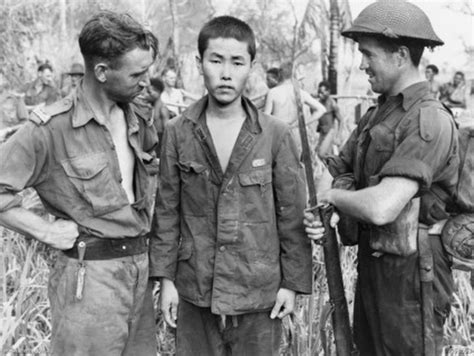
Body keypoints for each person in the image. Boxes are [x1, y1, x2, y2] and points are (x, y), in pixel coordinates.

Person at [150, 15, 312, 356]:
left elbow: (292, 216)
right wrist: (166, 281)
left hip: (259, 294)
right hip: (195, 290)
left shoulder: (275, 135)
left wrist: (292, 286)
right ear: (199, 63)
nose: (226, 73)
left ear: (251, 66)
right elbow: (166, 212)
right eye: (216, 60)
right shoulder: (178, 132)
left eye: (237, 62)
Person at [0, 11, 159, 355]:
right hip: (88, 282)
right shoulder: (49, 129)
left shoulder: (138, 119)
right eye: (138, 73)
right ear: (102, 71)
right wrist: (46, 231)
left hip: (139, 274)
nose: (146, 82)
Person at [304, 2, 458, 355]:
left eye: (368, 54)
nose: (361, 64)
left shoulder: (427, 119)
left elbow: (382, 207)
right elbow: (342, 169)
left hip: (415, 277)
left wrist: (334, 198)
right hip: (377, 267)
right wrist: (330, 212)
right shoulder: (378, 114)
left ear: (400, 55)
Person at [315, 81, 342, 159]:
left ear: (328, 92)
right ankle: (332, 164)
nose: (321, 95)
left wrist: (338, 137)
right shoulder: (318, 103)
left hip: (330, 131)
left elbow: (341, 120)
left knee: (321, 154)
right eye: (319, 92)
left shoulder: (332, 104)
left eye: (323, 92)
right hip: (322, 132)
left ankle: (335, 161)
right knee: (319, 155)